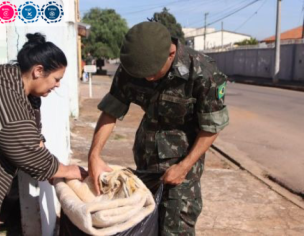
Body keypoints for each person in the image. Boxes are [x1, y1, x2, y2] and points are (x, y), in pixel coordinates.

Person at [87, 22, 229, 235]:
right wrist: (94, 156)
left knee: (176, 227)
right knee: (144, 223)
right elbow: (111, 110)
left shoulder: (203, 72)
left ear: (171, 54)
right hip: (145, 156)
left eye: (152, 73)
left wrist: (183, 167)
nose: (146, 79)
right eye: (141, 74)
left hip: (183, 160)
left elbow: (212, 127)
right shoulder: (133, 67)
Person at [0, 33, 87, 217]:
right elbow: (32, 156)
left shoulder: (16, 85)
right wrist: (69, 170)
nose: (58, 85)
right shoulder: (9, 106)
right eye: (56, 78)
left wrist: (56, 167)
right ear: (38, 71)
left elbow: (35, 138)